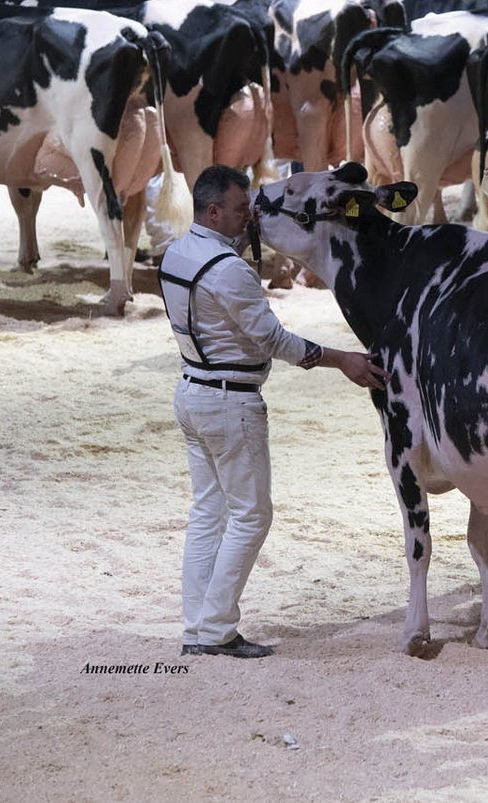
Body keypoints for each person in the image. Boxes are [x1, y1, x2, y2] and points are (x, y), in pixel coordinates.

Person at [164, 164, 386, 657]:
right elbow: (272, 340)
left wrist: (242, 244)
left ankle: (197, 627)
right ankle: (218, 628)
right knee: (250, 516)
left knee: (208, 512)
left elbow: (219, 282)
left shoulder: (178, 253)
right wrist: (342, 359)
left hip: (191, 390)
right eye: (242, 210)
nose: (251, 218)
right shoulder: (230, 271)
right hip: (231, 401)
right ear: (214, 211)